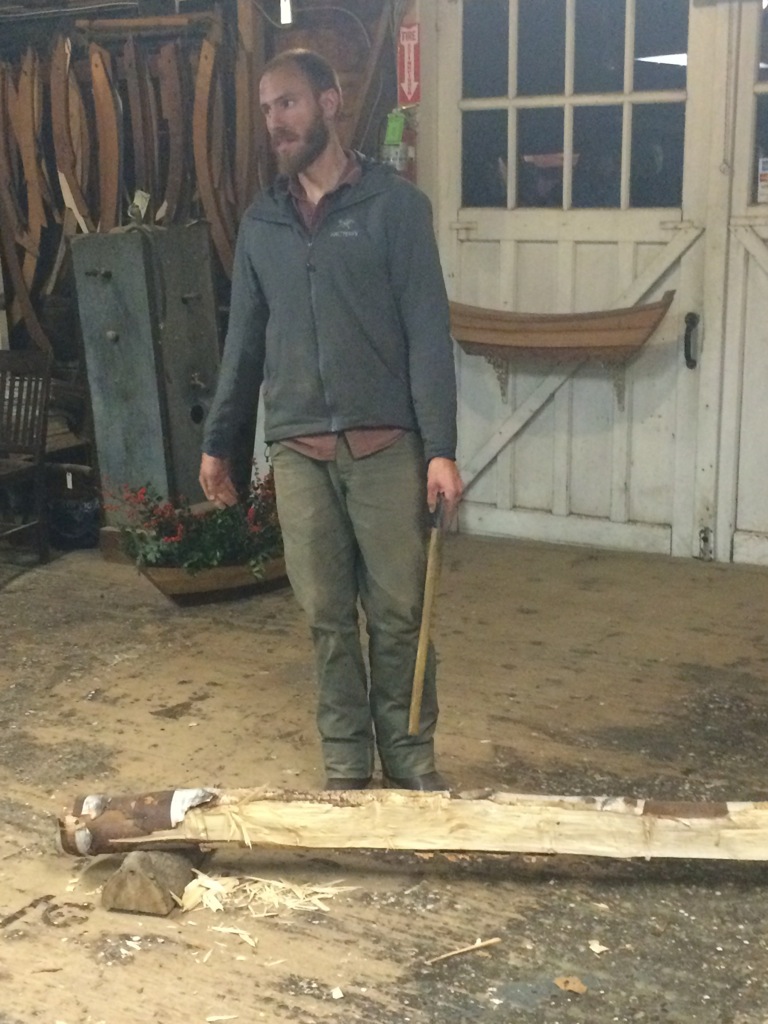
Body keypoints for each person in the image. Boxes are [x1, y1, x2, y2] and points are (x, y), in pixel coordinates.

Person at [199, 48, 463, 792]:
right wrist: (219, 442)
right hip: (298, 449)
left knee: (400, 611)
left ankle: (409, 757)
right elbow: (244, 343)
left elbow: (428, 332)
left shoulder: (396, 208)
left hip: (386, 445)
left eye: (286, 103)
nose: (274, 121)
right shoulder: (262, 222)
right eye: (266, 109)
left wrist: (440, 448)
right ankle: (346, 761)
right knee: (325, 615)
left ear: (328, 101)